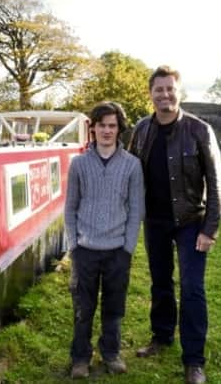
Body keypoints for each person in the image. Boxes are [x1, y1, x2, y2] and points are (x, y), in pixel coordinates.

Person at [128, 66, 221, 384]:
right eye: (159, 89)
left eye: (170, 89)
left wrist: (209, 229)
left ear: (178, 92)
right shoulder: (142, 129)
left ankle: (194, 361)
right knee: (160, 283)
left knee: (193, 288)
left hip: (190, 222)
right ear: (151, 93)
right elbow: (129, 173)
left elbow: (216, 180)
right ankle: (162, 336)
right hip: (154, 221)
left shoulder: (199, 130)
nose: (165, 94)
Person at [64, 101, 144, 378]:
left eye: (112, 126)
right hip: (85, 250)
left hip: (117, 251)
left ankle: (111, 353)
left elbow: (136, 209)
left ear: (119, 129)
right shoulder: (78, 164)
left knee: (114, 306)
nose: (107, 131)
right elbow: (70, 207)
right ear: (93, 128)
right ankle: (80, 358)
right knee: (83, 308)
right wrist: (73, 244)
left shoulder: (133, 166)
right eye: (102, 125)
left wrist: (128, 247)